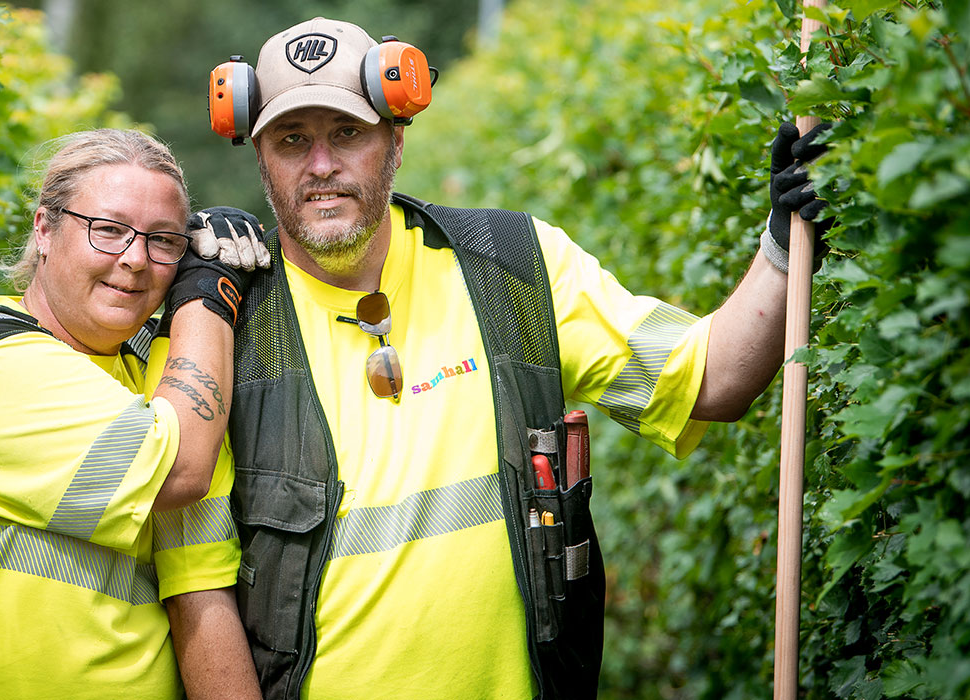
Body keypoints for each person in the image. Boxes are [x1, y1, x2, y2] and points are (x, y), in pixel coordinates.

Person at [200, 17, 833, 700]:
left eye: (348, 133)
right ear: (259, 156)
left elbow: (712, 379)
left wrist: (779, 246)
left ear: (397, 140)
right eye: (292, 140)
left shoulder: (515, 268)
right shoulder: (226, 322)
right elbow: (194, 590)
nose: (321, 165)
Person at [0, 129, 263, 699]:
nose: (135, 260)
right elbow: (182, 468)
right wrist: (208, 294)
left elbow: (198, 584)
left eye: (164, 242)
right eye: (108, 230)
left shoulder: (154, 379)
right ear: (44, 228)